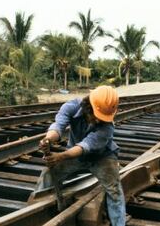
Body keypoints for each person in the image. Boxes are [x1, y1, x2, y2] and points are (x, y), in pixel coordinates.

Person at [35, 85, 126, 226]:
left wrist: (60, 156)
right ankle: (38, 212)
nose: (98, 120)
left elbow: (85, 146)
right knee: (48, 174)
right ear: (88, 106)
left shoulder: (107, 127)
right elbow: (58, 127)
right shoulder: (71, 107)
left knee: (115, 191)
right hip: (74, 155)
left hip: (102, 158)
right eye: (96, 115)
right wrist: (48, 139)